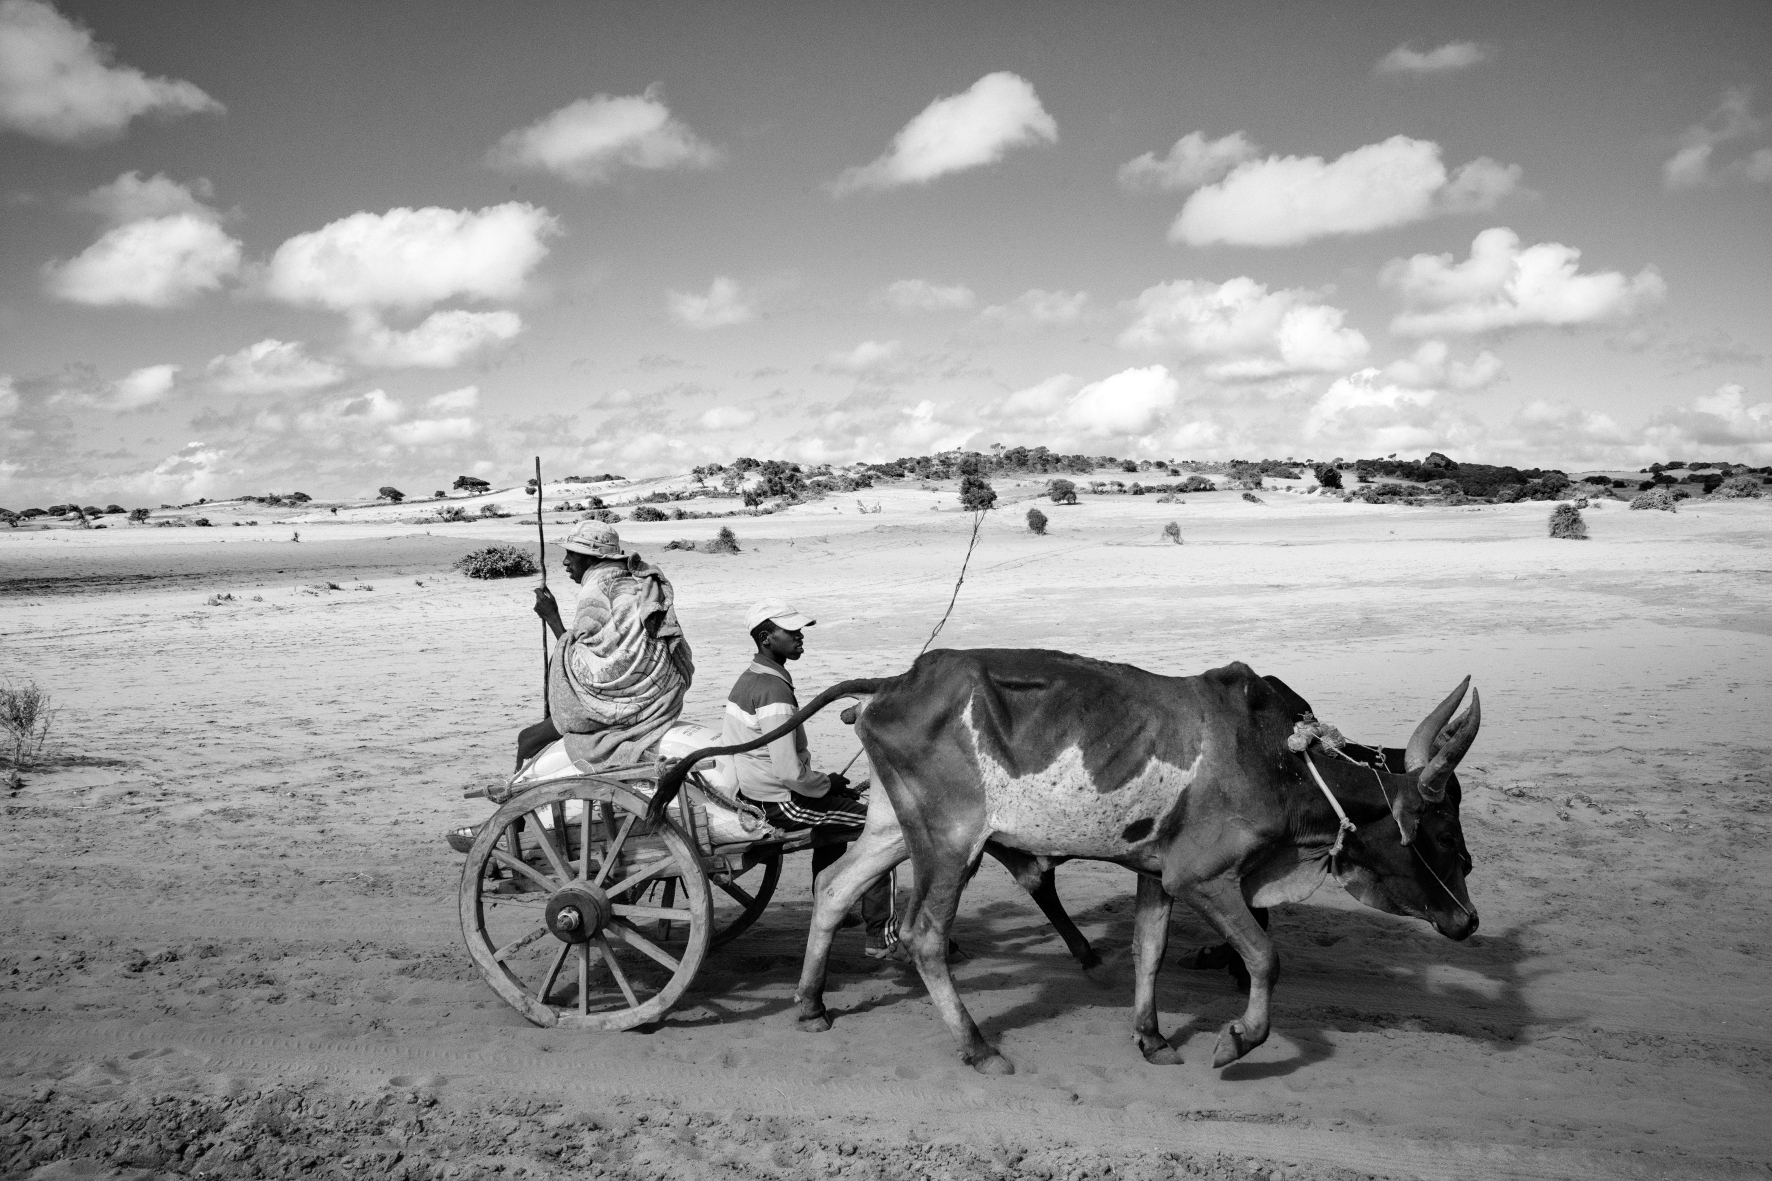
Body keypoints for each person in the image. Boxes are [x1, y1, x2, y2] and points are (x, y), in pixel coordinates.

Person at [726, 599, 893, 955]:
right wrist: (824, 784)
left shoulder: (751, 679)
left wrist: (824, 783)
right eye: (792, 632)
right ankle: (881, 934)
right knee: (881, 831)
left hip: (760, 792)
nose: (801, 636)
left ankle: (830, 905)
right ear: (765, 638)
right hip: (780, 803)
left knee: (839, 822)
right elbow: (788, 771)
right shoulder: (773, 691)